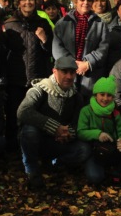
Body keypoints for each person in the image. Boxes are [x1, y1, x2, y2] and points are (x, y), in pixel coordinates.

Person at [17, 56, 95, 190]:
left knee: (83, 149)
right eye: (64, 72)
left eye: (72, 72)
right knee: (29, 131)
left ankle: (55, 164)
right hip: (38, 139)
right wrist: (54, 127)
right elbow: (23, 111)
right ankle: (32, 170)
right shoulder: (39, 89)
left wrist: (68, 133)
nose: (69, 76)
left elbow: (78, 124)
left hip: (59, 142)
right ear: (54, 71)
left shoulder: (77, 97)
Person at [3, 0, 53, 146]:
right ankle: (12, 147)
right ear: (18, 2)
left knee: (36, 114)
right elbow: (3, 52)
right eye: (24, 0)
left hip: (38, 77)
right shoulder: (10, 24)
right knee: (13, 114)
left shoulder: (43, 23)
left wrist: (44, 39)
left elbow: (51, 51)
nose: (27, 3)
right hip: (15, 77)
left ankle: (36, 146)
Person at [77, 76, 121, 186]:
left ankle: (117, 172)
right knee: (95, 178)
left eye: (109, 95)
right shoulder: (86, 111)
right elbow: (80, 132)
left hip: (112, 149)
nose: (105, 98)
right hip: (94, 151)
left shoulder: (115, 112)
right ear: (96, 94)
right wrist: (98, 134)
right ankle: (100, 169)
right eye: (102, 94)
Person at [52, 0, 109, 97]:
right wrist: (72, 64)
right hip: (66, 73)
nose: (85, 2)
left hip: (90, 76)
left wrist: (88, 62)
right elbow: (57, 48)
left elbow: (104, 48)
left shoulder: (100, 24)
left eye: (89, 0)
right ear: (75, 1)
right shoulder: (62, 23)